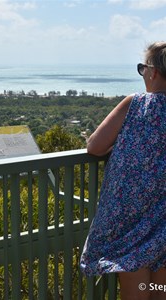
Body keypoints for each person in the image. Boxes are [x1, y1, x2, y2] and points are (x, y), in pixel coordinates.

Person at [80, 41, 166, 300]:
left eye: (143, 68)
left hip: (130, 222)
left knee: (138, 291)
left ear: (153, 72)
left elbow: (94, 146)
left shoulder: (136, 104)